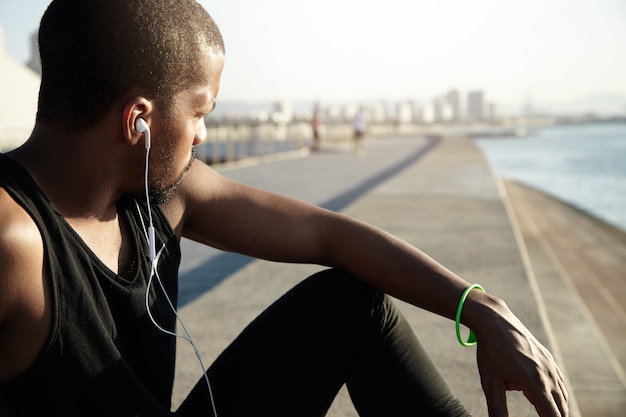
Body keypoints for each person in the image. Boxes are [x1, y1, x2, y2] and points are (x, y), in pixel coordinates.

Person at [0, 1, 568, 416]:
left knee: (350, 303)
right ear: (138, 121)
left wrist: (483, 310)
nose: (201, 135)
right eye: (201, 112)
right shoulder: (13, 241)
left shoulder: (165, 194)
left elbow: (329, 237)